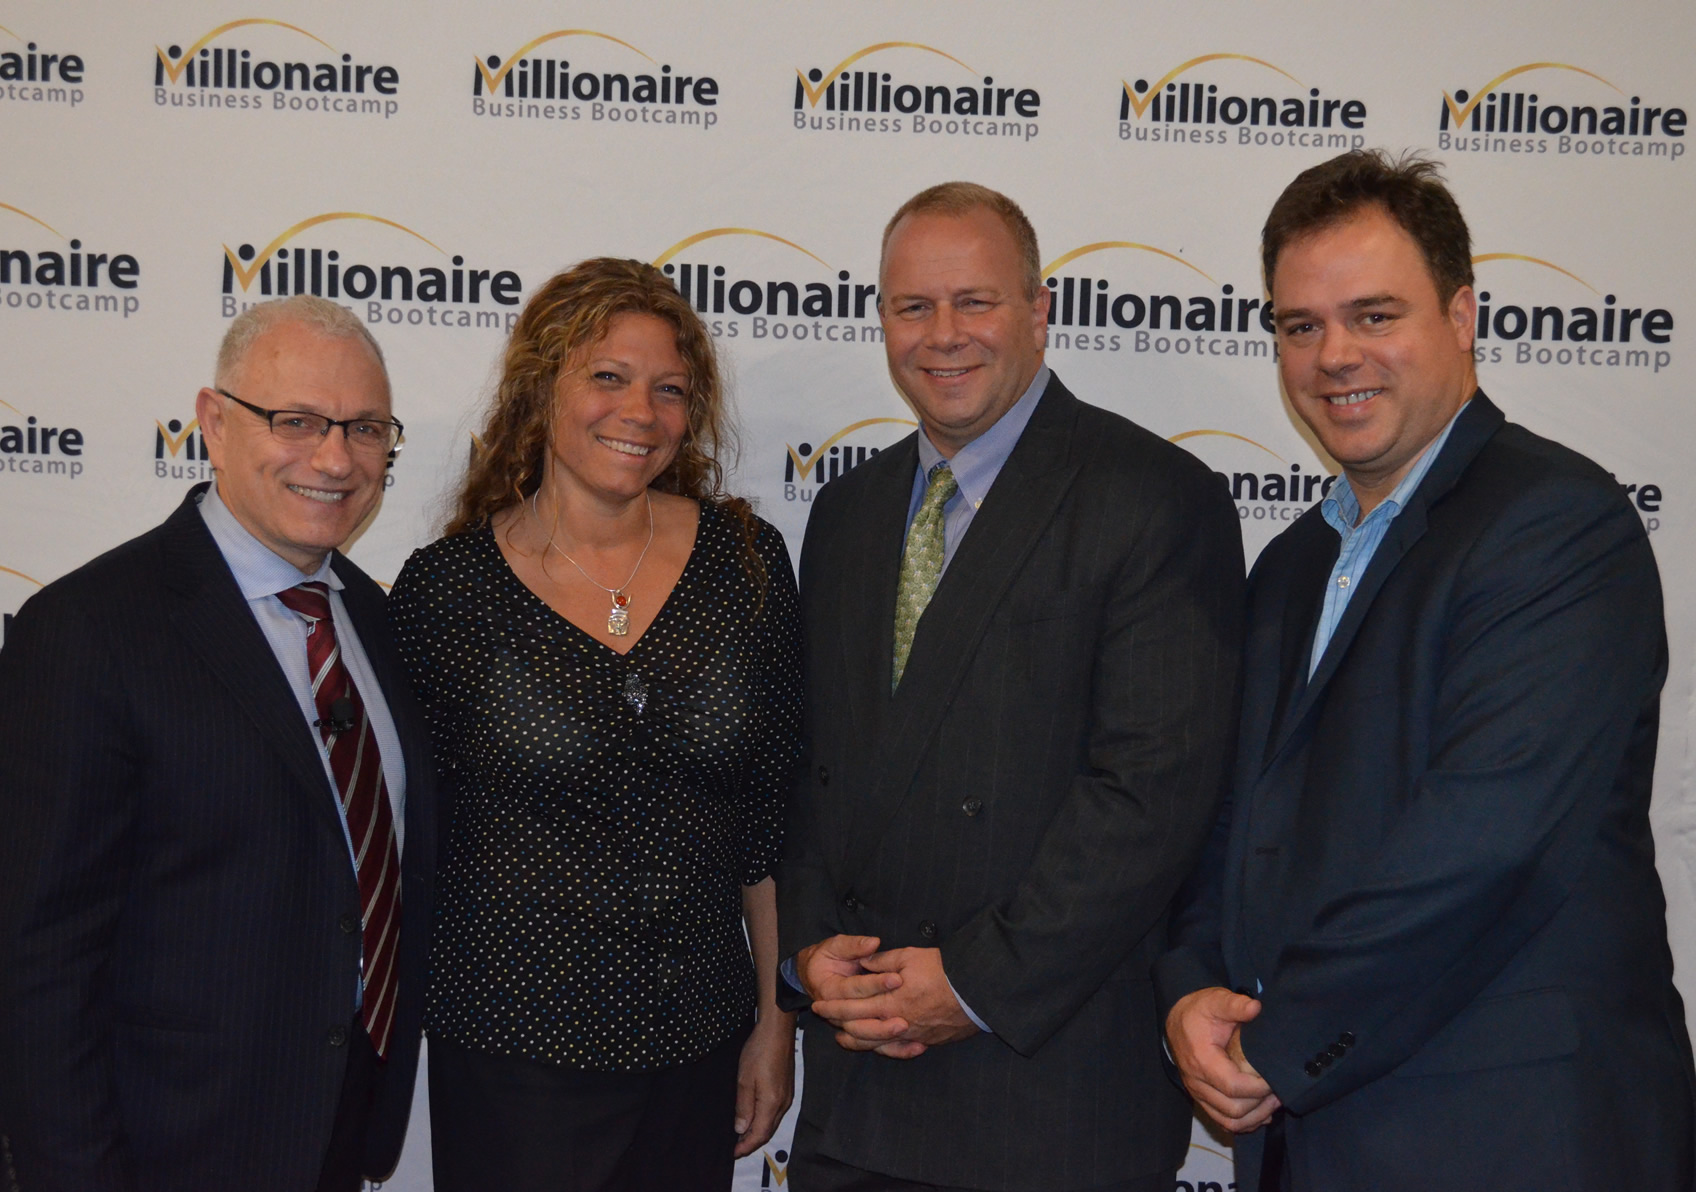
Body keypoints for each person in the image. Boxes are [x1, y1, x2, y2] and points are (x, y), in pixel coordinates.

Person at [1156, 150, 1696, 1191]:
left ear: (1461, 316)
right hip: (1311, 1135)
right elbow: (1230, 822)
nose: (1334, 356)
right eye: (1300, 326)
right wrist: (1188, 991)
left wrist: (1277, 1041)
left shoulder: (1556, 523)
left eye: (1374, 315)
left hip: (1507, 1138)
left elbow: (1482, 842)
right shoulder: (1291, 566)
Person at [777, 182, 1245, 1192]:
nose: (943, 334)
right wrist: (811, 955)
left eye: (975, 301)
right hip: (856, 1093)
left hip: (1048, 1098)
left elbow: (1152, 795)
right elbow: (813, 766)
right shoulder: (846, 513)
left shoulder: (1154, 498)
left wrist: (975, 984)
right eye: (913, 306)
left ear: (1039, 311)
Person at [0, 295, 438, 1191]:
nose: (335, 458)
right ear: (214, 425)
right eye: (296, 421)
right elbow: (40, 964)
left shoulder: (373, 620)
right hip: (150, 1152)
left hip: (331, 1137)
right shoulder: (89, 630)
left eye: (365, 428)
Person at [388, 257, 800, 1191]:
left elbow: (770, 823)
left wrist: (776, 1028)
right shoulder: (447, 593)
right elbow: (402, 838)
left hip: (696, 1050)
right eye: (607, 377)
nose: (640, 412)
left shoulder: (746, 564)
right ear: (542, 391)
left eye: (669, 389)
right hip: (512, 1063)